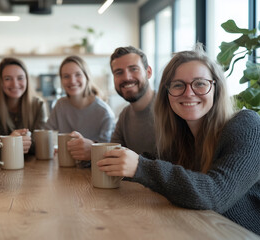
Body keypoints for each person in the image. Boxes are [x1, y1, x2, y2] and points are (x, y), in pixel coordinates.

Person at [97, 45, 260, 235]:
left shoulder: (248, 126)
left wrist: (140, 166)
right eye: (178, 85)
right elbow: (151, 161)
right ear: (168, 94)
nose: (188, 93)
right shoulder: (182, 137)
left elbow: (215, 194)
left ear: (216, 87)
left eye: (199, 83)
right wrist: (95, 157)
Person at [45, 55, 115, 161]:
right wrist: (52, 147)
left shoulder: (104, 112)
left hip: (93, 169)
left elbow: (107, 151)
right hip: (65, 166)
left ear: (87, 77)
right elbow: (46, 134)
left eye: (78, 75)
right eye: (66, 76)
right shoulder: (60, 105)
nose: (72, 81)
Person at [0, 57, 48, 154]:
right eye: (7, 79)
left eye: (20, 78)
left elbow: (41, 144)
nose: (15, 84)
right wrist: (12, 141)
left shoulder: (39, 105)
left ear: (27, 79)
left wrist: (10, 143)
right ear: (0, 82)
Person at [110, 46, 156, 156]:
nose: (126, 77)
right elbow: (113, 154)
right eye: (119, 72)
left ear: (148, 72)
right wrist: (92, 148)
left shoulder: (171, 108)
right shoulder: (124, 115)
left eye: (134, 69)